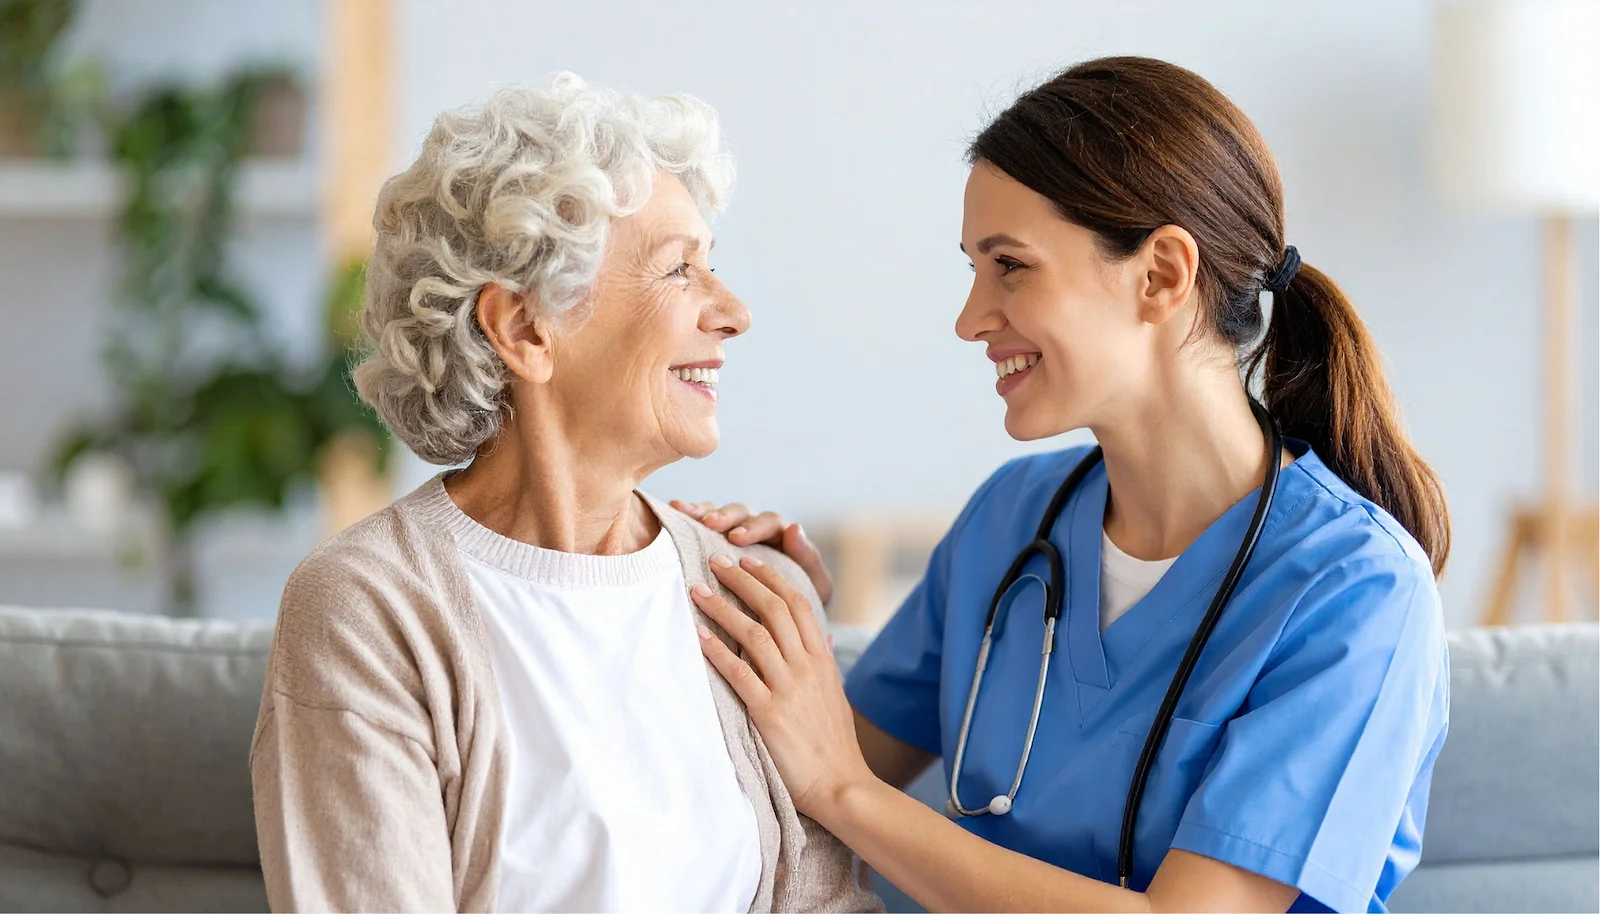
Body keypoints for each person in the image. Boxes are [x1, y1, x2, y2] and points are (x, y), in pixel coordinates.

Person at [679, 56, 1451, 913]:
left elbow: (839, 785)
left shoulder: (1355, 591)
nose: (971, 318)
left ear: (1161, 274)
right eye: (974, 269)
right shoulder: (1008, 523)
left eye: (1009, 266)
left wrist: (848, 795)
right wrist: (780, 612)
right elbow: (787, 779)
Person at [249, 75, 879, 913]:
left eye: (711, 266)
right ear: (524, 329)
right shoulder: (368, 610)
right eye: (678, 270)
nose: (733, 311)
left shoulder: (747, 594)